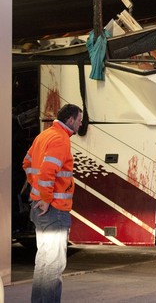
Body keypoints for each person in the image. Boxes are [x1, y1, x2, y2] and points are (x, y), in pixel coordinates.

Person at [23, 104, 83, 303]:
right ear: (71, 120)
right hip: (54, 210)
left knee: (43, 263)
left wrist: (38, 193)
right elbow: (49, 171)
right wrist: (46, 199)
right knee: (53, 266)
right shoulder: (60, 139)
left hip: (40, 208)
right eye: (80, 120)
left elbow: (27, 163)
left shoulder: (44, 135)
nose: (81, 124)